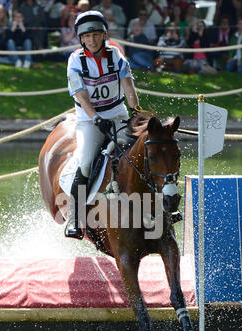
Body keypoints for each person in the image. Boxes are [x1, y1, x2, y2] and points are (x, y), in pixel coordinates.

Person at [65, 10, 141, 239]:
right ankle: (75, 219)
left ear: (104, 35)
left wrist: (136, 111)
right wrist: (97, 118)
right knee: (87, 162)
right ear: (81, 39)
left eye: (96, 34)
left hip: (118, 114)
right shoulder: (75, 60)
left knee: (143, 152)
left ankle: (161, 207)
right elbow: (81, 95)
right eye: (87, 36)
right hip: (90, 119)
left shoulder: (116, 54)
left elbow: (128, 86)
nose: (92, 39)